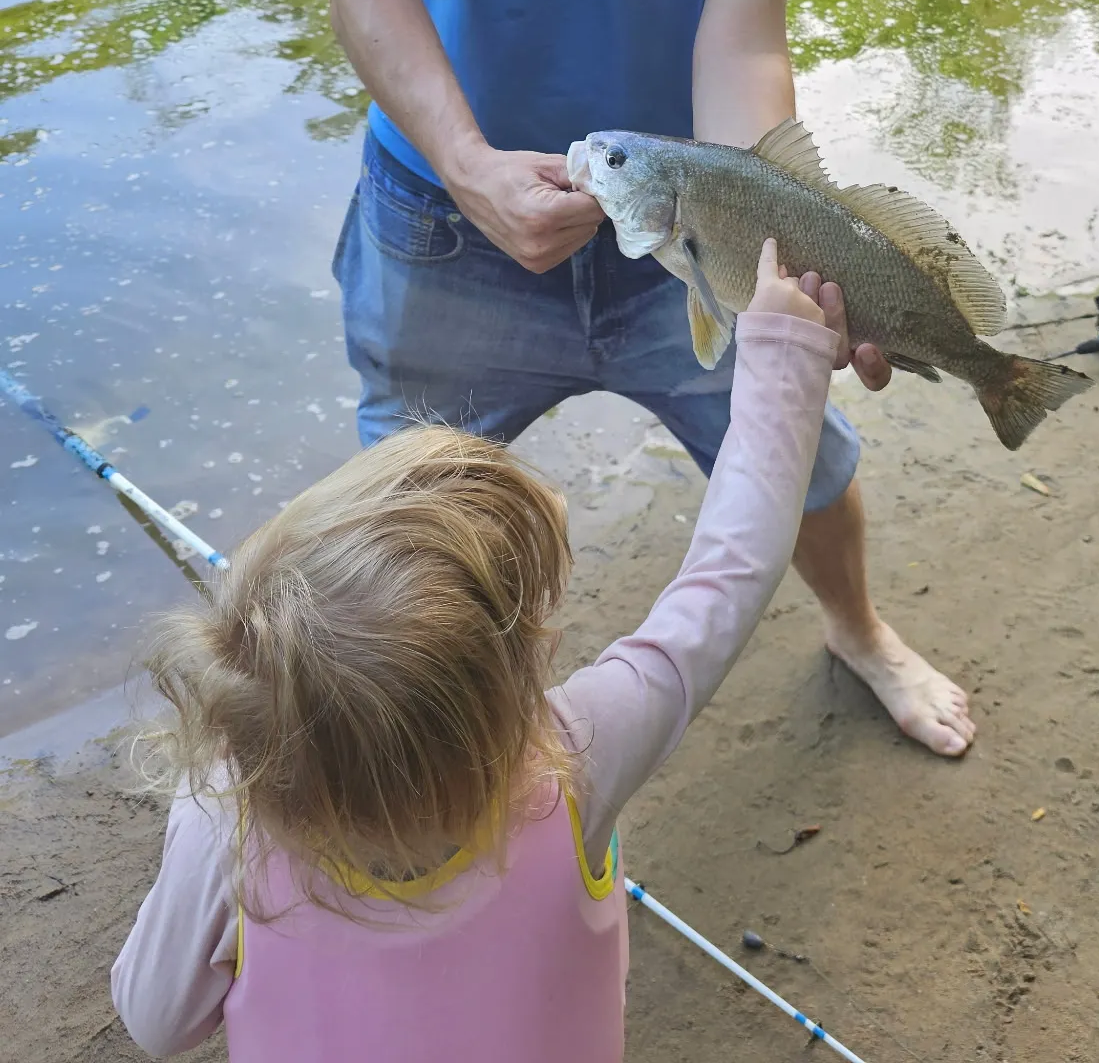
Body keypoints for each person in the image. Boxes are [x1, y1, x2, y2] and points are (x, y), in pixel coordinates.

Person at [326, 0, 974, 755]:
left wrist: (791, 270)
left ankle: (860, 630)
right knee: (408, 521)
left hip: (688, 224)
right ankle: (432, 749)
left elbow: (739, 43)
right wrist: (469, 168)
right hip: (443, 215)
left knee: (807, 459)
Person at [113, 242, 840, 1059]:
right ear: (515, 679)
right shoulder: (573, 763)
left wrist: (211, 784)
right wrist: (783, 360)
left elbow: (156, 1018)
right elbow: (727, 579)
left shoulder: (233, 828)